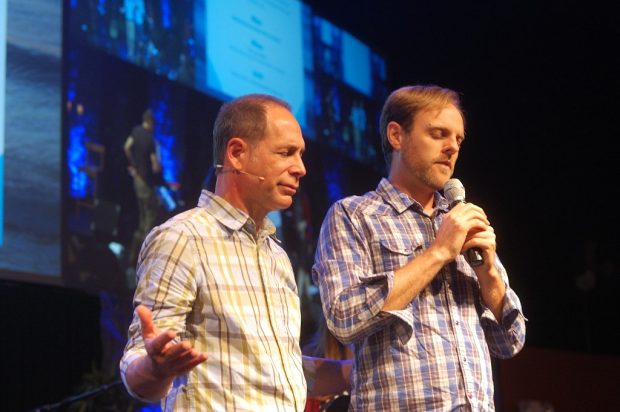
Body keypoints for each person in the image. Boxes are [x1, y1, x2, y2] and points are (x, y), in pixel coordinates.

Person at [120, 94, 350, 411]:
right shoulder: (182, 238)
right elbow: (138, 367)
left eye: (300, 154)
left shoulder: (276, 255)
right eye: (286, 153)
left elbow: (279, 372)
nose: (301, 168)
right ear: (237, 153)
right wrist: (155, 369)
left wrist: (357, 371)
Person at [312, 85, 526, 411]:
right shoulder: (353, 215)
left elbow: (510, 342)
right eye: (439, 134)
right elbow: (345, 318)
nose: (451, 148)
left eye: (458, 140)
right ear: (396, 135)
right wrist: (439, 251)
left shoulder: (461, 219)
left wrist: (489, 275)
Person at [124, 108, 161, 268]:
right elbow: (155, 167)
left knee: (141, 218)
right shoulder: (150, 140)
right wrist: (158, 162)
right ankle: (143, 259)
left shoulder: (135, 131)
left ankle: (131, 259)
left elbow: (126, 147)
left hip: (136, 179)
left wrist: (133, 163)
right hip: (146, 182)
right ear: (151, 122)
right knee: (149, 219)